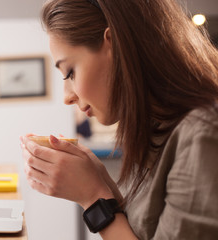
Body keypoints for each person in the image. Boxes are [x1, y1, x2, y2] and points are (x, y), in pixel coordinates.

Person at [20, 0, 218, 239]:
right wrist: (98, 177)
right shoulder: (156, 131)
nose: (67, 97)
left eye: (70, 72)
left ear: (113, 43)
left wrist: (92, 197)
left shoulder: (203, 132)